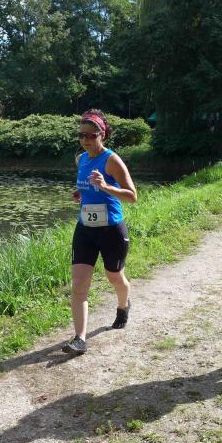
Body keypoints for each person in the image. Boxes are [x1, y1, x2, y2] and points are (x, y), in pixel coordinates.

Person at [62, 109, 137, 355]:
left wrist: (105, 186)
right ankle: (80, 339)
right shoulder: (81, 159)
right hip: (85, 229)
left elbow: (132, 196)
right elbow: (87, 188)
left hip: (111, 229)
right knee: (79, 284)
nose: (85, 140)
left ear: (102, 135)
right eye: (81, 135)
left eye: (91, 135)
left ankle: (123, 305)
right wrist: (81, 193)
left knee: (114, 276)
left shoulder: (111, 160)